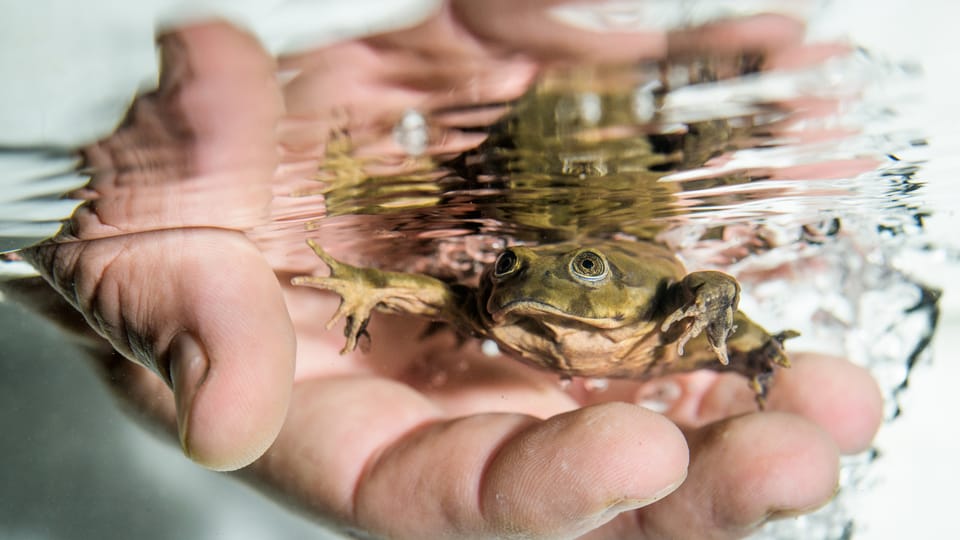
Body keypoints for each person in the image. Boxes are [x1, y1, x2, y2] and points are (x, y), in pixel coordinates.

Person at [8, 4, 883, 538]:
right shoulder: (503, 297)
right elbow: (442, 289)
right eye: (513, 266)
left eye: (570, 269)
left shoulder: (664, 300)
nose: (524, 280)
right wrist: (359, 283)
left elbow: (714, 293)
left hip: (605, 175)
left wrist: (749, 348)